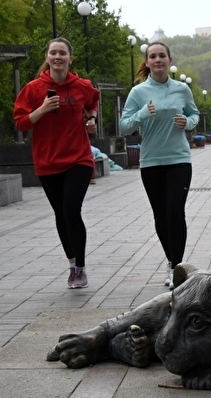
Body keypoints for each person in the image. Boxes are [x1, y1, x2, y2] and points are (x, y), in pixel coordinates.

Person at [13, 37, 100, 289]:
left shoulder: (81, 86)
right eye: (53, 53)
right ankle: (72, 265)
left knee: (71, 210)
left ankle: (81, 268)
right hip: (48, 161)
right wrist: (41, 109)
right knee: (61, 214)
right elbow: (21, 122)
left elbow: (93, 100)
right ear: (48, 57)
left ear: (70, 58)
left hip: (78, 158)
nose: (58, 57)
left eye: (62, 53)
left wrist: (91, 118)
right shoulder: (33, 89)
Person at [119, 41, 199, 289]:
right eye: (152, 56)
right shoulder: (138, 92)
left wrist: (186, 121)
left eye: (161, 56)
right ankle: (170, 260)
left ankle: (177, 267)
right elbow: (124, 127)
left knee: (175, 211)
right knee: (161, 215)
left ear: (169, 60)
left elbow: (195, 116)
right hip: (151, 162)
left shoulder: (182, 89)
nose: (157, 60)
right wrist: (142, 113)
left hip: (179, 160)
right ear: (147, 62)